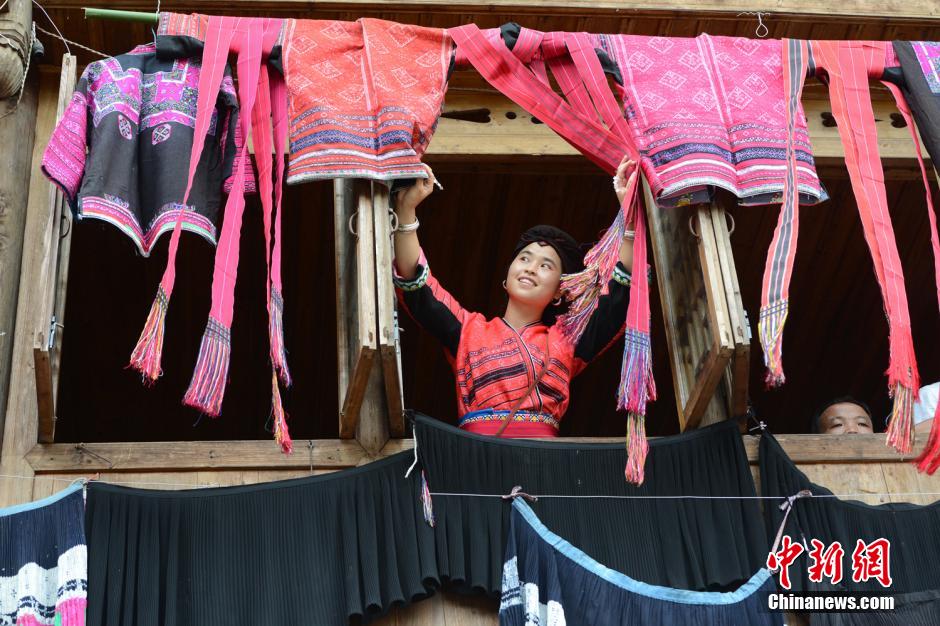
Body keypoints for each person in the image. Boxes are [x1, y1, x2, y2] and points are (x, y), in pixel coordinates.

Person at [393, 156, 638, 438]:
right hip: (478, 458)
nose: (531, 268)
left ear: (560, 290)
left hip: (541, 462)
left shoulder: (568, 340)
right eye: (524, 258)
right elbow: (417, 286)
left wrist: (628, 221)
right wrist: (406, 211)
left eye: (546, 265)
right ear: (507, 276)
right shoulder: (468, 331)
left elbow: (620, 295)